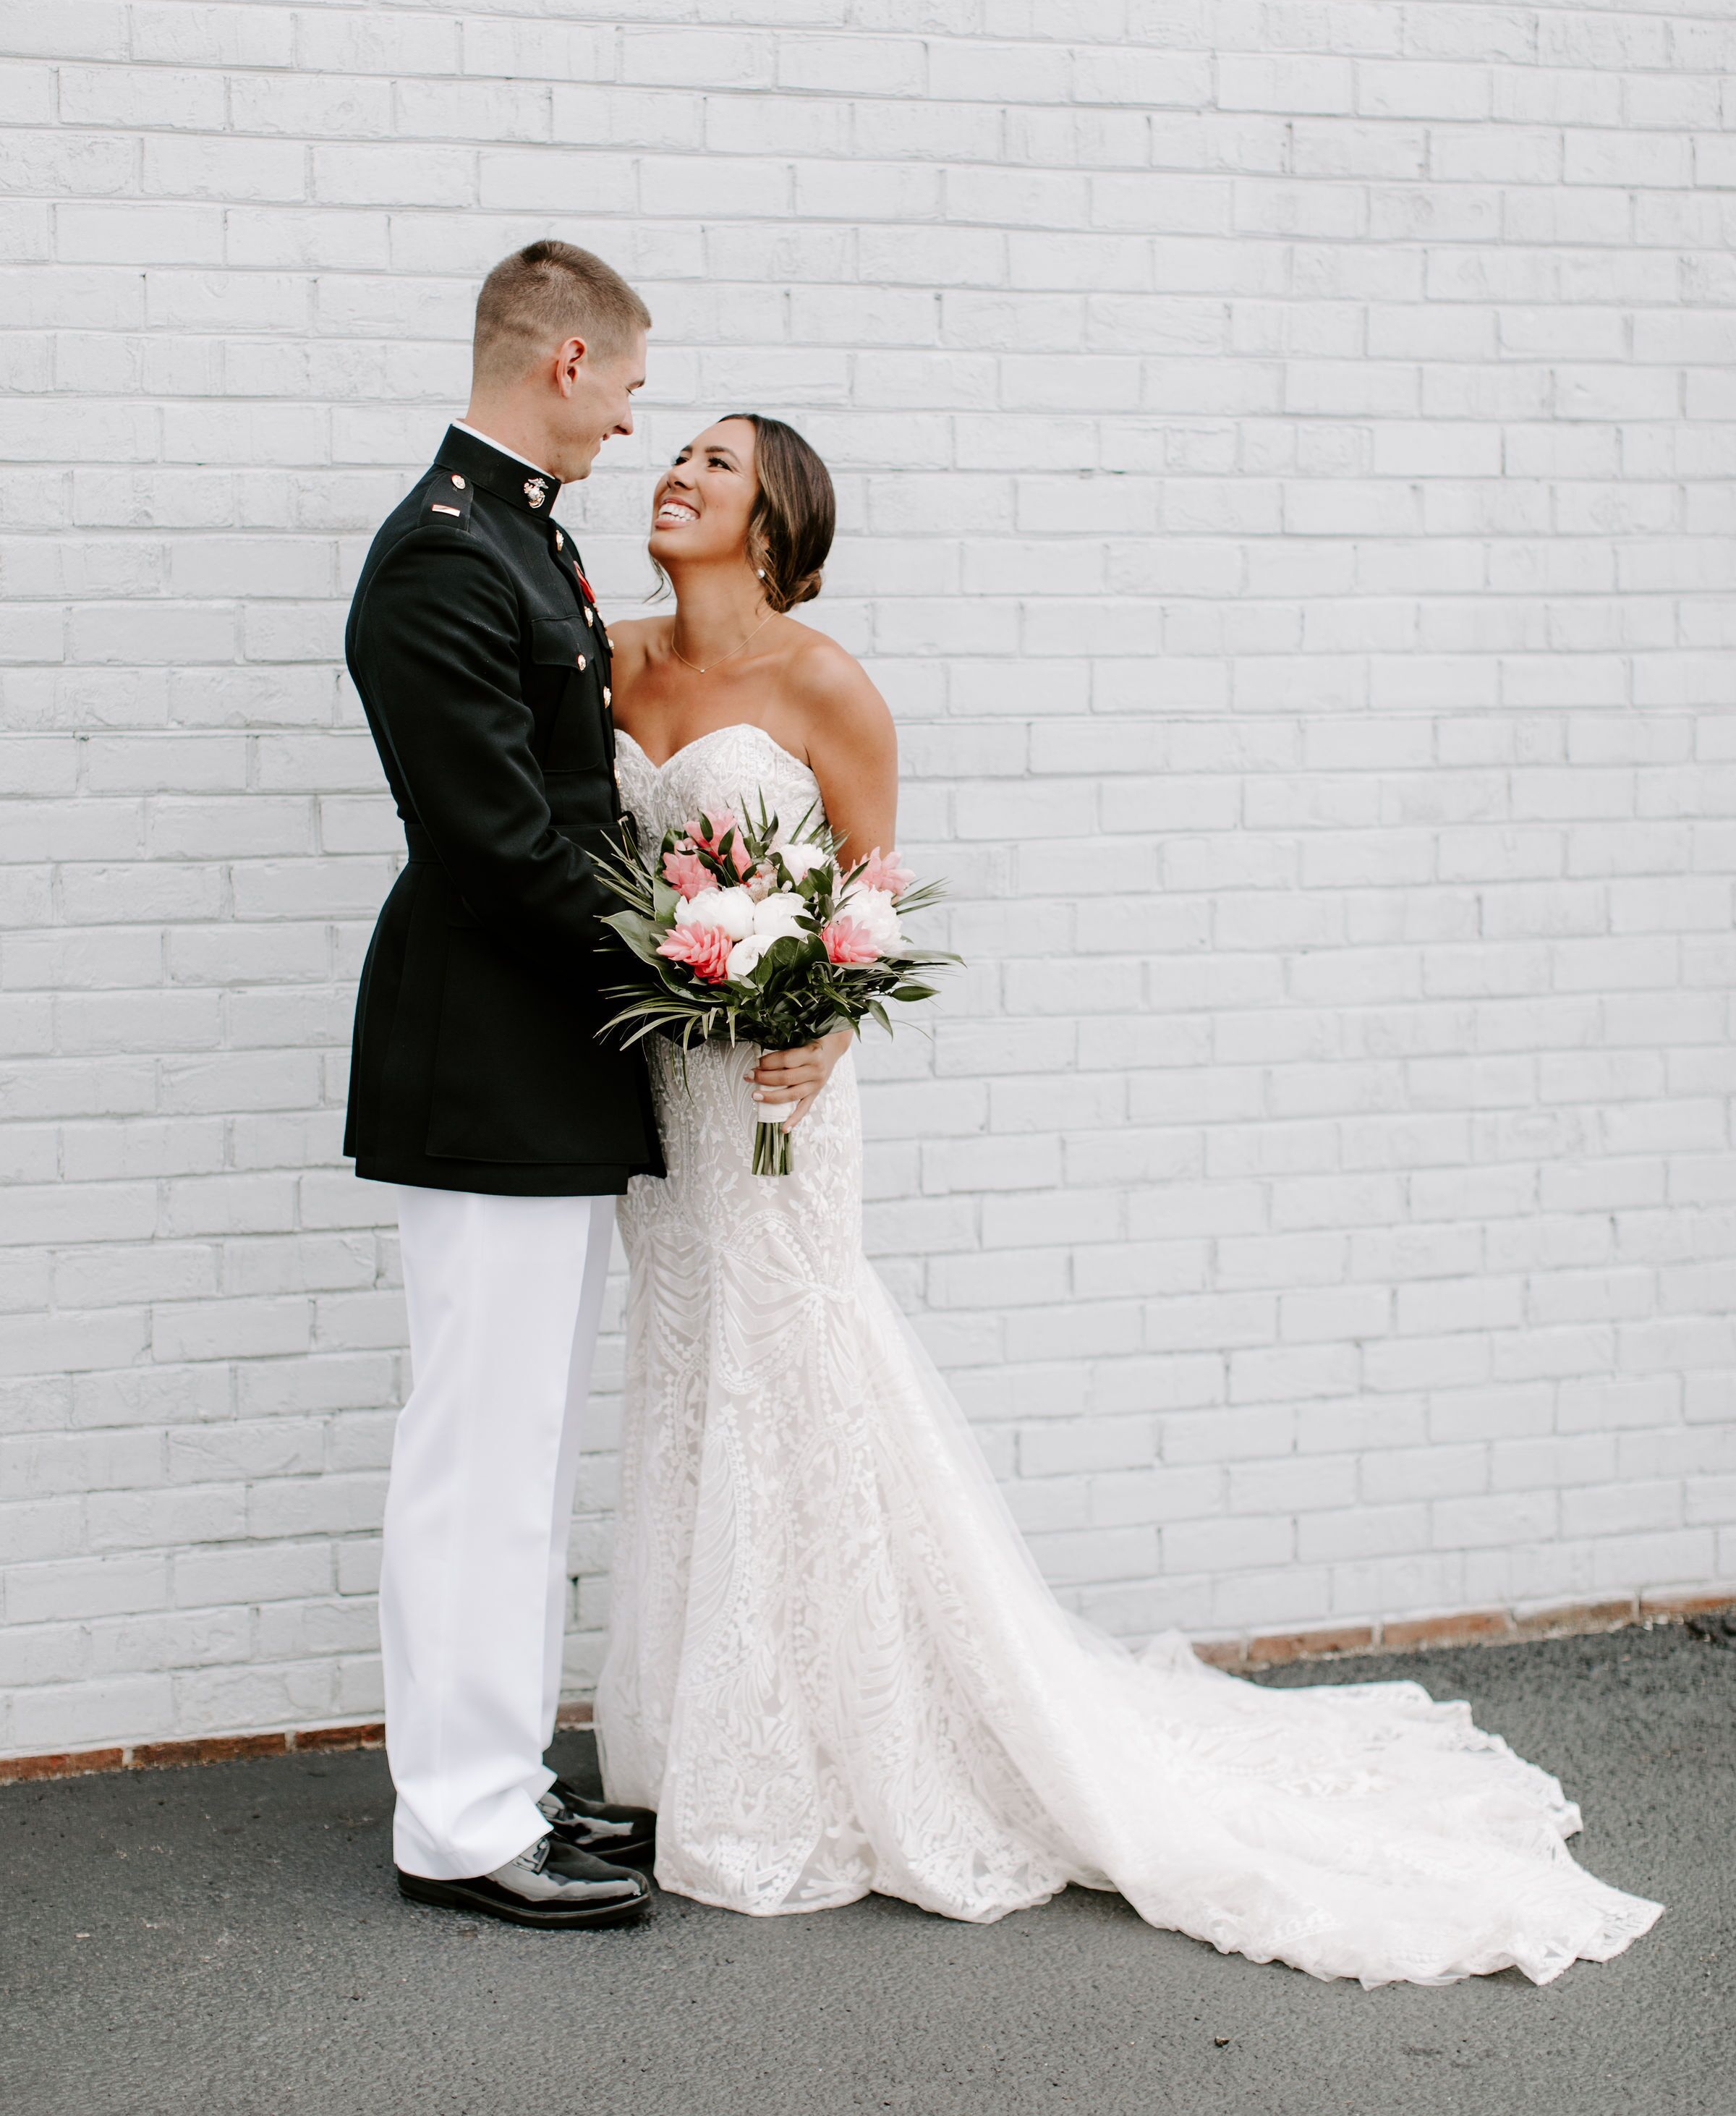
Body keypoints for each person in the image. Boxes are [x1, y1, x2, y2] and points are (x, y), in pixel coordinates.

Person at [595, 412, 1664, 1987]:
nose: (677, 473)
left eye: (717, 464)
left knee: (798, 1376)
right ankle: (713, 1737)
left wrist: (816, 1018)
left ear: (774, 524)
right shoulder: (612, 664)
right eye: (672, 451)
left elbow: (873, 887)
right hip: (664, 1104)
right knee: (692, 1379)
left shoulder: (823, 684)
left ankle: (837, 1746)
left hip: (778, 1098)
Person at [344, 240, 665, 1930]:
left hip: (539, 1056)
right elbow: (498, 844)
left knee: (525, 1441)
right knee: (477, 1445)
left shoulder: (525, 538)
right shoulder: (443, 559)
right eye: (624, 382)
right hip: (485, 1054)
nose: (630, 416)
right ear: (560, 361)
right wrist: (682, 977)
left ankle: (506, 1775)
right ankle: (459, 1824)